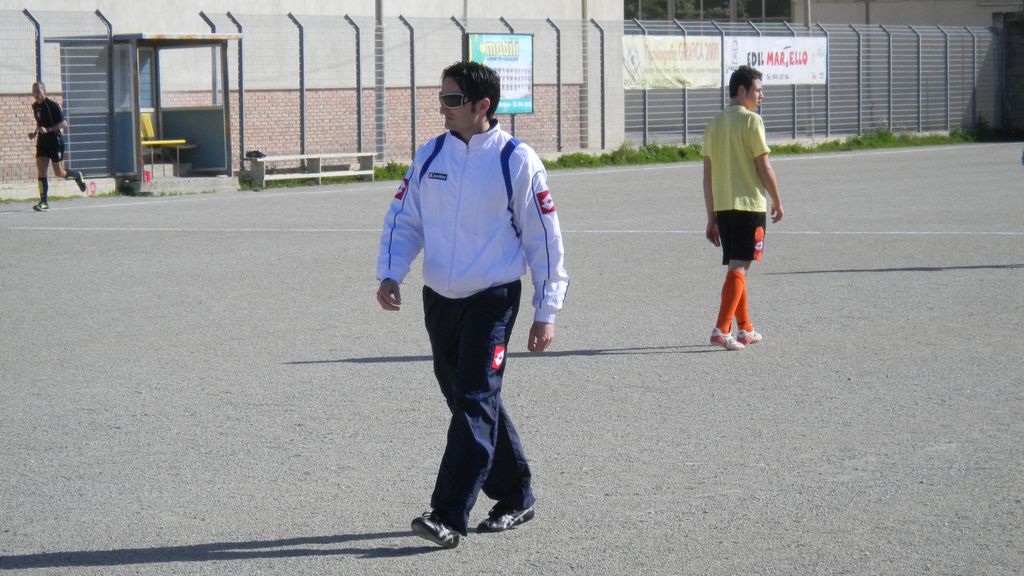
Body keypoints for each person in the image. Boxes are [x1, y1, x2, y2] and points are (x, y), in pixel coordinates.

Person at [375, 61, 569, 549]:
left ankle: (447, 515)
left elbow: (545, 239)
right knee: (466, 398)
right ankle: (516, 494)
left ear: (483, 105)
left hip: (493, 299)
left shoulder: (516, 160)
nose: (442, 107)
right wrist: (391, 271)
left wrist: (546, 310)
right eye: (441, 97)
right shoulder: (430, 154)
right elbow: (405, 217)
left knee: (475, 399)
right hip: (439, 299)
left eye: (452, 99)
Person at [701, 65, 784, 351]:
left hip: (724, 207)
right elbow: (764, 165)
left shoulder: (714, 124)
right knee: (739, 266)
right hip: (749, 205)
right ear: (741, 90)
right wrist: (777, 199)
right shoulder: (752, 121)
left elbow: (707, 175)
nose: (762, 96)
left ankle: (745, 328)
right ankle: (721, 329)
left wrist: (711, 216)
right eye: (758, 90)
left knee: (738, 265)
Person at [29, 81, 86, 211]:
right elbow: (40, 123)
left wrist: (48, 130)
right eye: (34, 92)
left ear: (44, 91)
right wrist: (34, 133)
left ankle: (77, 175)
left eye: (38, 91)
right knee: (41, 170)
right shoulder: (35, 106)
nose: (36, 94)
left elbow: (64, 124)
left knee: (59, 173)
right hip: (42, 142)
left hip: (55, 142)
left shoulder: (52, 105)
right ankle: (44, 202)